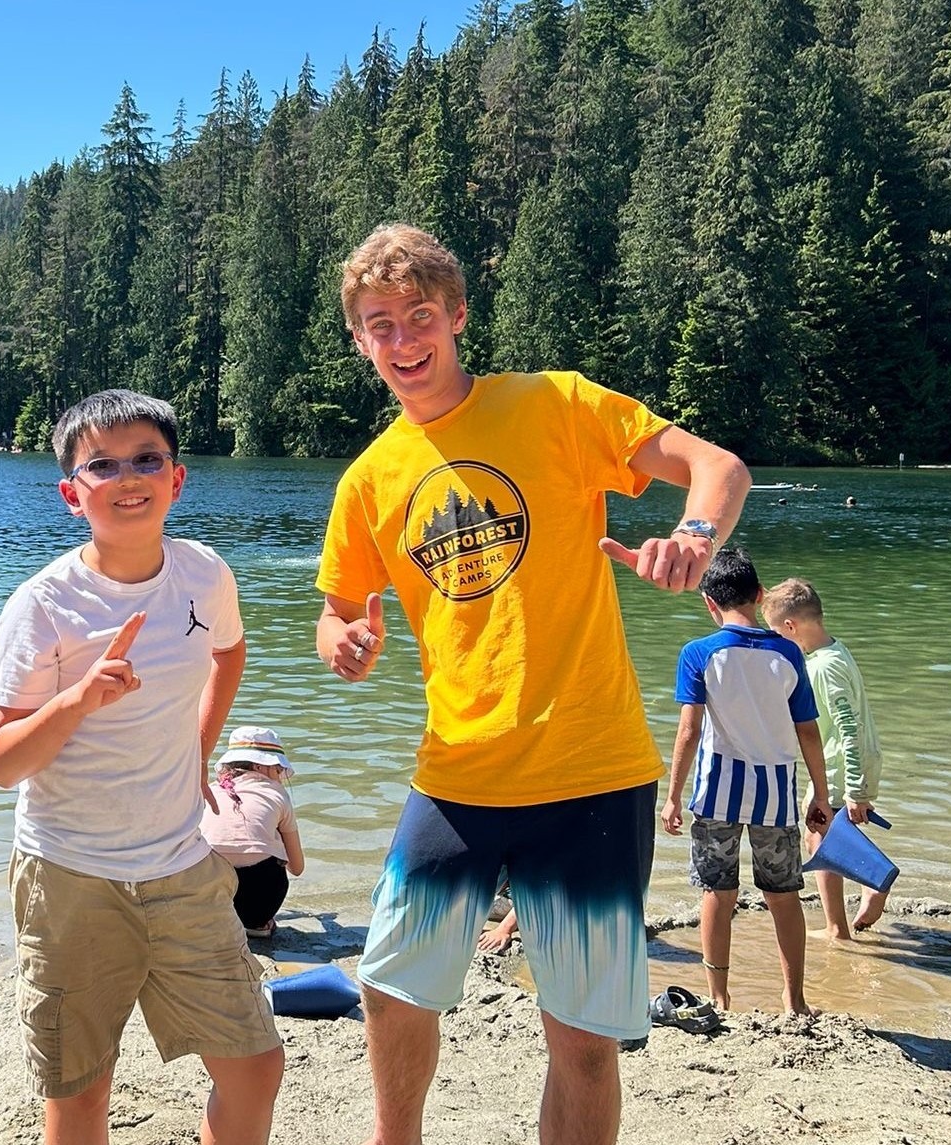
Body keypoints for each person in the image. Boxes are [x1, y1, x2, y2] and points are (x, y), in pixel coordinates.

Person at [316, 222, 752, 1145]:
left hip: (590, 770)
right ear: (359, 340)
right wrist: (342, 637)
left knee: (584, 1042)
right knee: (390, 991)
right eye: (380, 324)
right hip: (456, 775)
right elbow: (337, 607)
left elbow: (718, 468)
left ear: (459, 315)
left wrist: (693, 538)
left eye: (420, 315)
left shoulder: (555, 405)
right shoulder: (368, 479)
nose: (402, 340)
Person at [0, 389, 284, 1145]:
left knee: (255, 1065)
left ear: (177, 479)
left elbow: (229, 650)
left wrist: (199, 748)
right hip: (69, 877)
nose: (127, 477)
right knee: (81, 1094)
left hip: (184, 867)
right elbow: (0, 761)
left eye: (147, 458)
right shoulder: (43, 605)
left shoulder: (204, 573)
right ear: (70, 493)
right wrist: (77, 702)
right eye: (102, 464)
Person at [662, 548, 832, 1015]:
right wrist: (821, 792)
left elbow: (689, 730)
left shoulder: (699, 653)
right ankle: (794, 998)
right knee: (783, 895)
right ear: (759, 595)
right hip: (775, 794)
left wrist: (673, 796)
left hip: (717, 791)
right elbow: (808, 731)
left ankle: (719, 997)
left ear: (708, 602)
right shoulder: (788, 653)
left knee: (717, 891)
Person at [763, 577, 888, 937]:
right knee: (828, 832)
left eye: (776, 632)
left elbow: (848, 727)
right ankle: (865, 891)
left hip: (839, 767)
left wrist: (855, 788)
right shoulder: (834, 651)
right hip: (848, 763)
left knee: (820, 833)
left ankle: (844, 919)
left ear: (791, 626)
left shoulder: (823, 666)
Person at [200, 725, 306, 938]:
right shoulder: (277, 794)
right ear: (260, 767)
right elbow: (297, 868)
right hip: (257, 907)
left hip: (207, 901)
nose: (279, 776)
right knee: (274, 860)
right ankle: (257, 925)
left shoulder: (209, 790)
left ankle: (210, 923)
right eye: (277, 769)